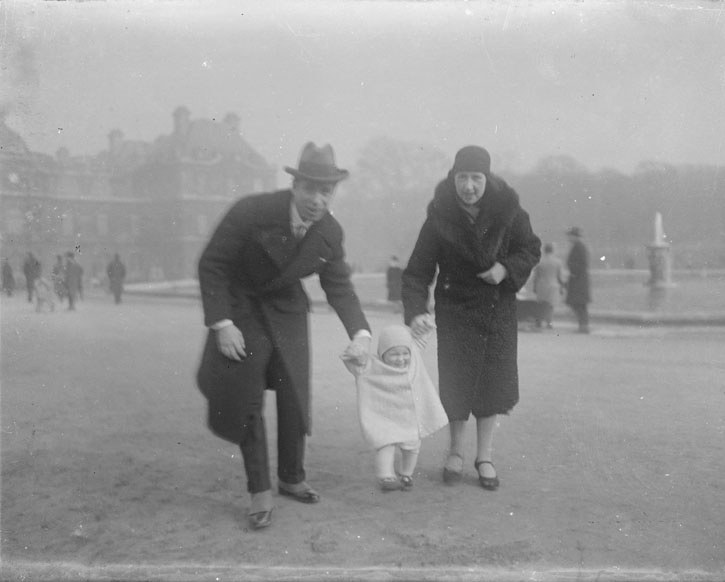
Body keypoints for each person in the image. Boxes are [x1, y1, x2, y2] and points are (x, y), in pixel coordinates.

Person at [196, 142, 372, 531]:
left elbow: (338, 286)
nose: (316, 199)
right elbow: (212, 264)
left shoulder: (330, 231)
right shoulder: (251, 211)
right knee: (247, 394)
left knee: (295, 393)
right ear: (294, 186)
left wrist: (360, 332)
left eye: (326, 191)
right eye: (309, 188)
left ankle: (291, 476)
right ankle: (259, 488)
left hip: (288, 309)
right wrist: (222, 324)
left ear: (333, 193)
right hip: (241, 307)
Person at [402, 145, 541, 491]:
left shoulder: (509, 211)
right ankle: (455, 453)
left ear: (487, 178)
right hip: (456, 309)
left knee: (492, 383)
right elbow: (417, 270)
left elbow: (530, 248)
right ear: (453, 178)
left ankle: (485, 456)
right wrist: (417, 310)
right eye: (462, 178)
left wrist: (505, 268)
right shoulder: (439, 216)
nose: (468, 186)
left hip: (497, 310)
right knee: (457, 381)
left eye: (476, 178)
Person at [341, 322, 448, 492]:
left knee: (412, 447)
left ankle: (406, 474)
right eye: (394, 354)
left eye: (405, 353)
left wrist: (426, 326)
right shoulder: (371, 366)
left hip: (410, 417)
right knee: (386, 444)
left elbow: (417, 342)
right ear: (382, 354)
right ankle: (386, 476)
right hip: (385, 417)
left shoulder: (413, 360)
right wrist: (356, 353)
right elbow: (356, 362)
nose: (401, 358)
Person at [531, 242, 565, 329]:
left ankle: (539, 321)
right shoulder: (558, 262)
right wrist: (562, 287)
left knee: (541, 304)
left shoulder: (540, 261)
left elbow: (536, 276)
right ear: (553, 251)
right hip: (553, 285)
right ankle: (549, 322)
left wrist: (534, 287)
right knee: (550, 305)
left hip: (541, 285)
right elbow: (560, 277)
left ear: (544, 250)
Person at [564, 227, 591, 333]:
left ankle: (583, 326)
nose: (568, 238)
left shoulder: (579, 247)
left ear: (575, 236)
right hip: (578, 279)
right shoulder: (578, 246)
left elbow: (581, 264)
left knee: (579, 304)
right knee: (579, 304)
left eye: (570, 236)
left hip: (578, 280)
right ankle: (583, 325)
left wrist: (573, 271)